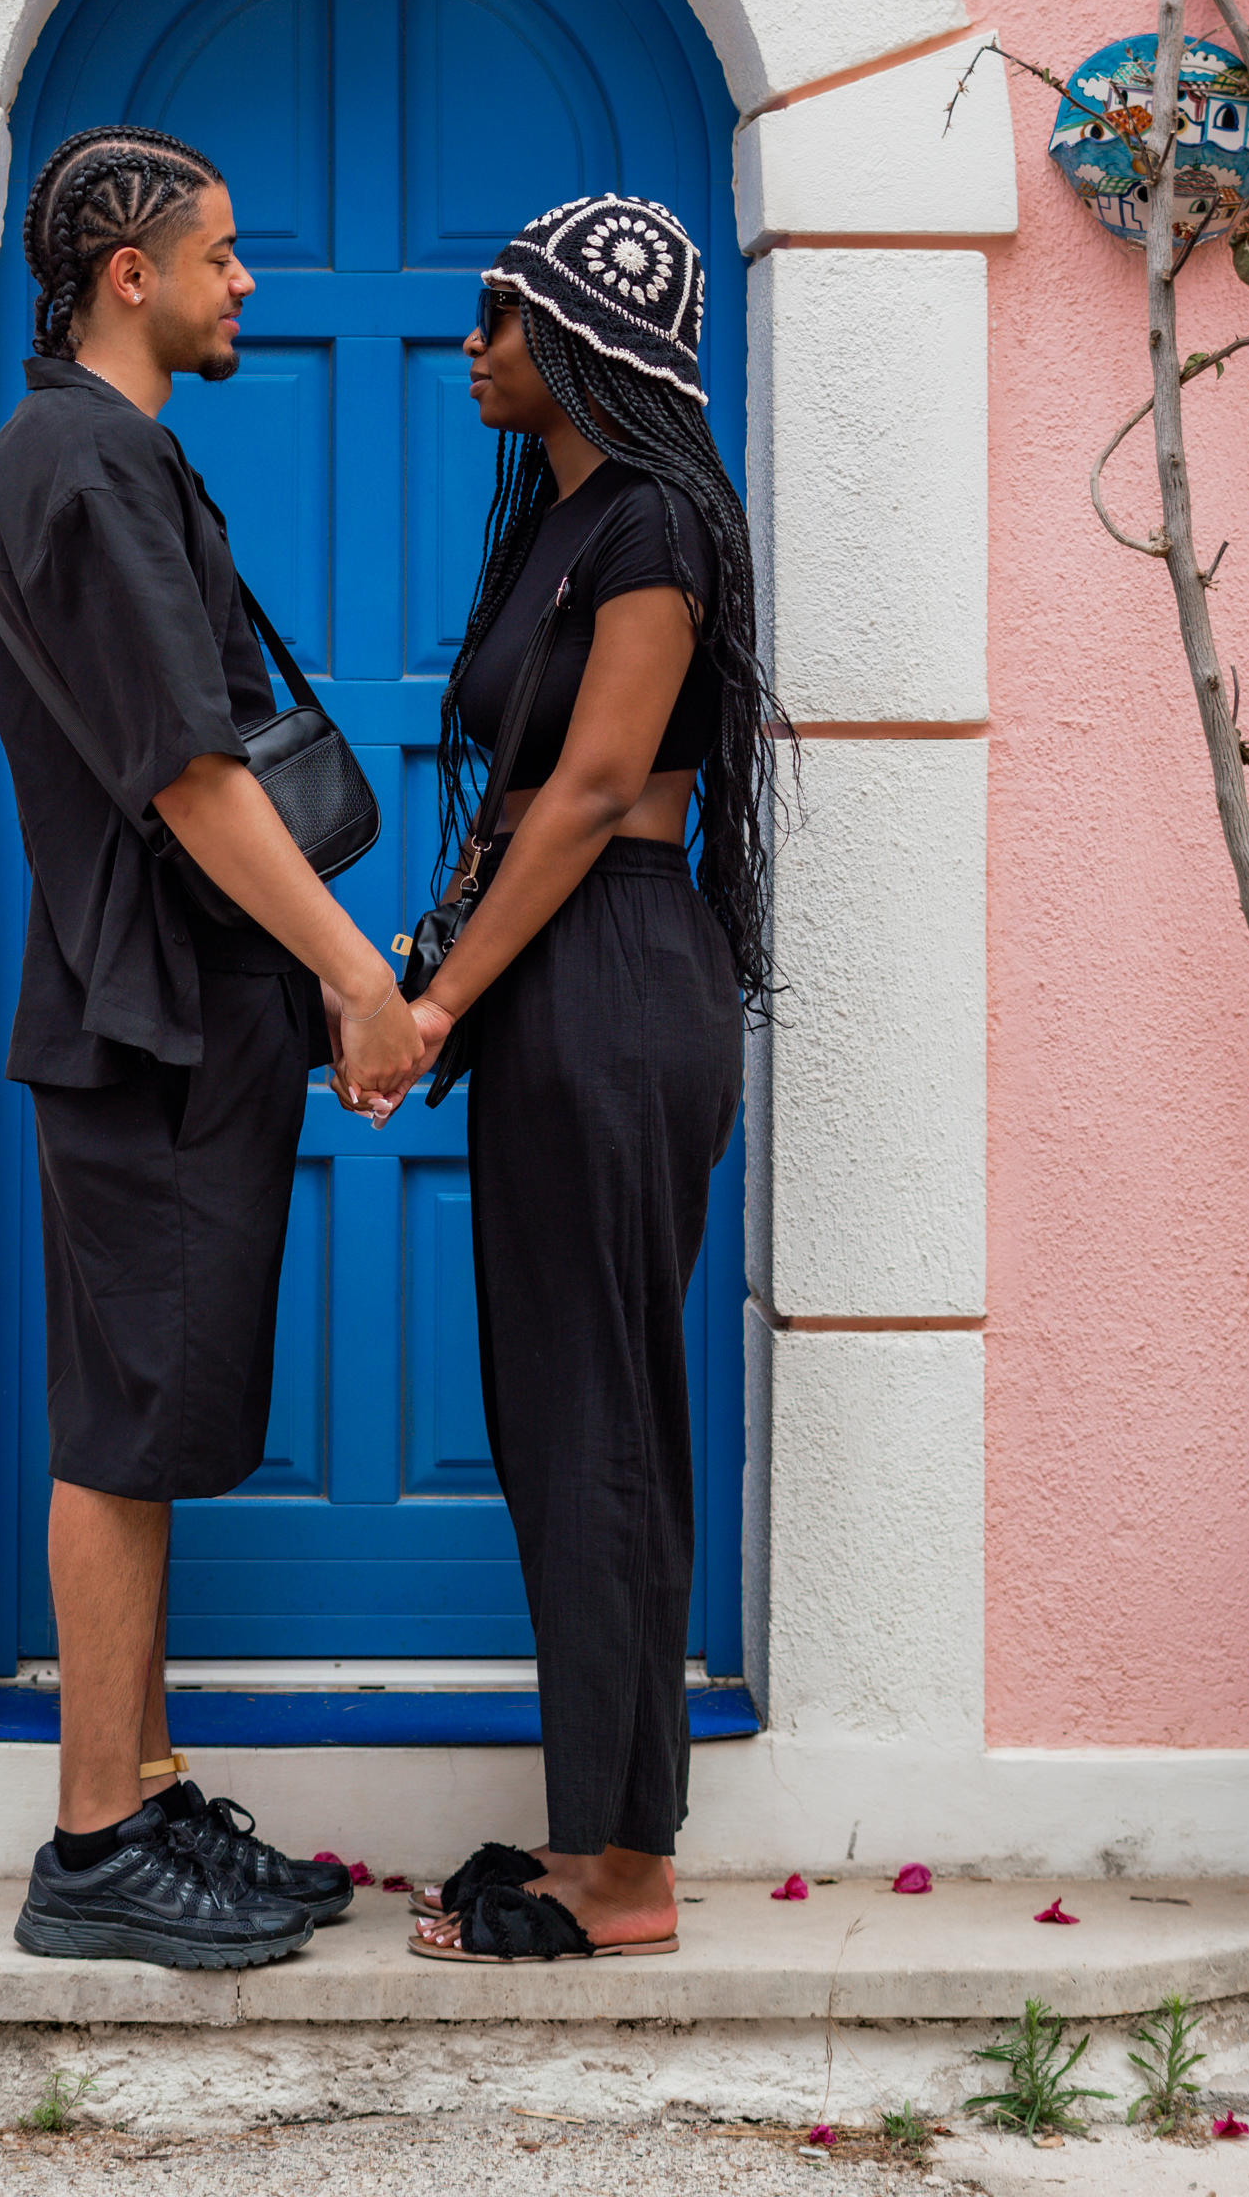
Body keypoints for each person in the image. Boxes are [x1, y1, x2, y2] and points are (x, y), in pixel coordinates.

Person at [0, 123, 426, 1969]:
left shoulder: (104, 456)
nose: (253, 284)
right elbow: (186, 771)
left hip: (173, 1020)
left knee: (149, 1419)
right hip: (141, 1023)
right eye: (224, 256)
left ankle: (142, 1793)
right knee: (122, 1430)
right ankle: (92, 1843)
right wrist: (357, 972)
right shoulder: (81, 461)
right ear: (128, 275)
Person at [392, 194, 789, 1967]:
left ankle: (628, 1868)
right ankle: (595, 1831)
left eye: (499, 318)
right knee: (563, 1418)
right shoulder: (558, 525)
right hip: (556, 983)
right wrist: (436, 978)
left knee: (604, 1417)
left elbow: (598, 780)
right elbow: (511, 792)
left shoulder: (653, 523)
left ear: (577, 342)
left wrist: (441, 998)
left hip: (620, 975)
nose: (471, 346)